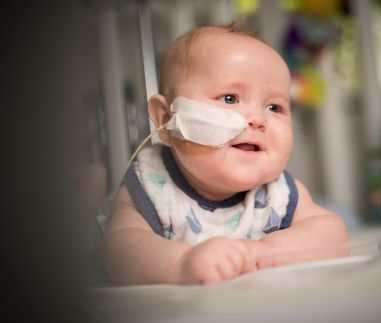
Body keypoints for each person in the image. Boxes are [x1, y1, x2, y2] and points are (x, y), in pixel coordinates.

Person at [102, 23, 349, 285]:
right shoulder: (151, 184)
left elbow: (334, 236)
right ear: (167, 119)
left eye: (274, 107)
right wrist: (182, 264)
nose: (258, 119)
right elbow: (119, 251)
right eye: (230, 98)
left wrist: (265, 252)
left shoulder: (278, 192)